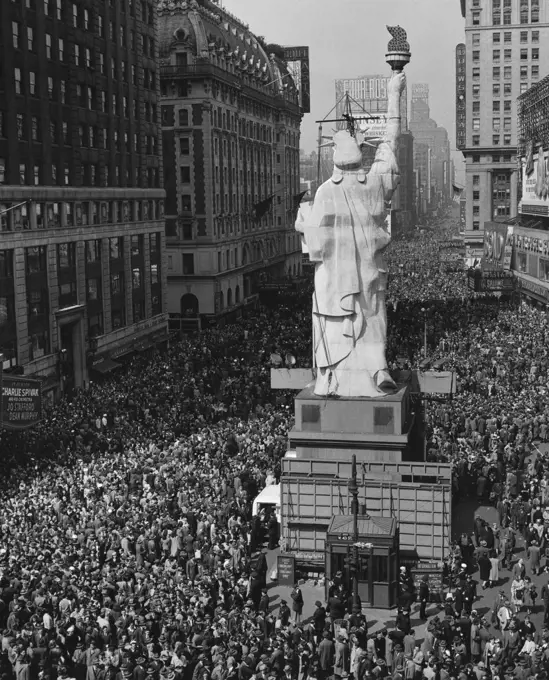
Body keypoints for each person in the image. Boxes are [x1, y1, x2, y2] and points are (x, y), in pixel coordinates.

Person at [295, 70, 407, 397]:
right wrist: (393, 95)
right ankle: (377, 368)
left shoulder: (325, 192)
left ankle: (330, 376)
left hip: (333, 283)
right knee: (373, 319)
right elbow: (389, 144)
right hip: (370, 276)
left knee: (330, 325)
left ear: (333, 157)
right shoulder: (373, 184)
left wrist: (302, 220)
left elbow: (314, 245)